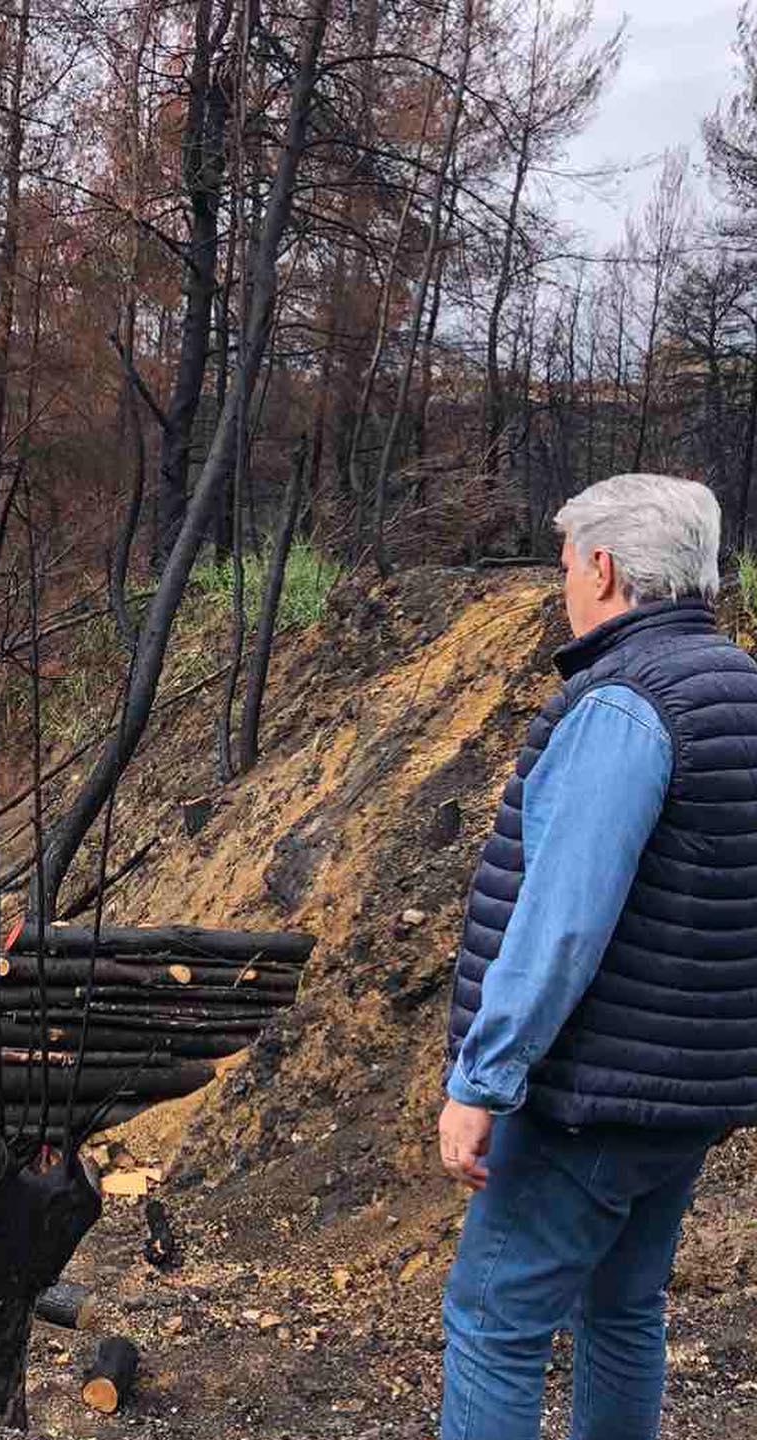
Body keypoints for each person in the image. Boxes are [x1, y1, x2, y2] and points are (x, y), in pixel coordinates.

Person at [439, 474, 757, 1440]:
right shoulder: (741, 691)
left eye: (568, 565)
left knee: (493, 1320)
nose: (565, 586)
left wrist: (483, 1079)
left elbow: (561, 922)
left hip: (593, 1098)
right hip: (690, 1090)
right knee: (622, 1310)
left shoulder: (624, 709)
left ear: (606, 568)